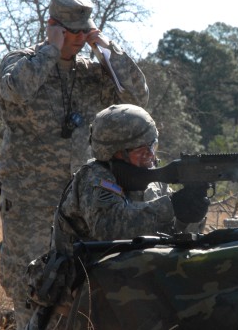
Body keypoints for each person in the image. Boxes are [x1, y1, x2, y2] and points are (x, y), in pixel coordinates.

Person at [0, 0, 149, 329]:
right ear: (53, 26)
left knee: (88, 284)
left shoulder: (93, 72)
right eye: (72, 32)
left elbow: (138, 95)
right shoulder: (20, 63)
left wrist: (105, 47)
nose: (79, 39)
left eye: (85, 32)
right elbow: (14, 92)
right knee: (29, 286)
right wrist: (50, 49)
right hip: (31, 202)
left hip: (81, 200)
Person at [25, 104, 209, 329]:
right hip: (77, 308)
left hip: (129, 302)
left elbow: (170, 235)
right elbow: (111, 227)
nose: (151, 157)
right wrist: (171, 206)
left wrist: (189, 214)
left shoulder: (151, 179)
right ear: (117, 153)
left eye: (153, 147)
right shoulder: (93, 179)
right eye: (142, 151)